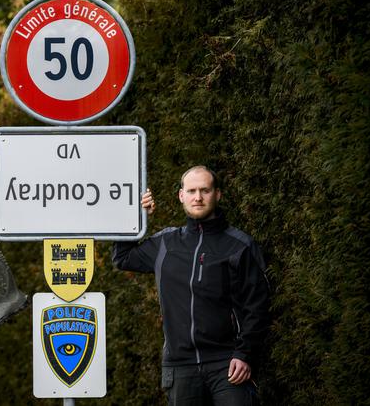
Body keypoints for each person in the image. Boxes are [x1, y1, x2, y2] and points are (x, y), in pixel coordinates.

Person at [112, 165, 269, 406]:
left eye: (205, 190)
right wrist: (136, 217)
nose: (198, 197)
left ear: (217, 194)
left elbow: (257, 305)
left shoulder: (240, 245)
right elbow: (122, 257)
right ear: (181, 196)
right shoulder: (165, 243)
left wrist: (245, 354)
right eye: (192, 190)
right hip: (179, 367)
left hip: (227, 365)